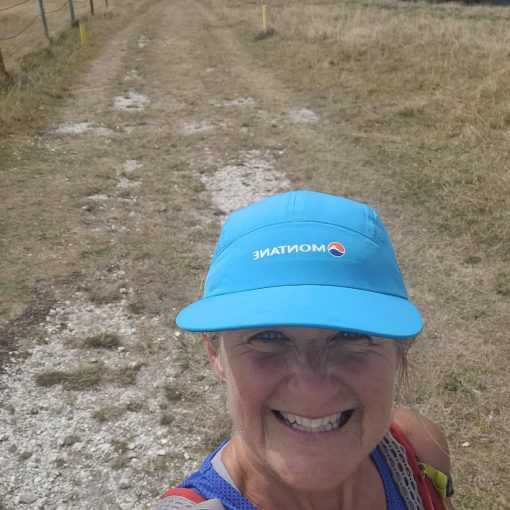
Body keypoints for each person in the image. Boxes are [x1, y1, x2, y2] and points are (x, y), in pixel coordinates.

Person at [156, 190, 455, 510]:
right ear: (215, 354)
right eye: (268, 336)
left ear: (397, 352)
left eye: (351, 335)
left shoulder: (419, 452)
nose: (314, 390)